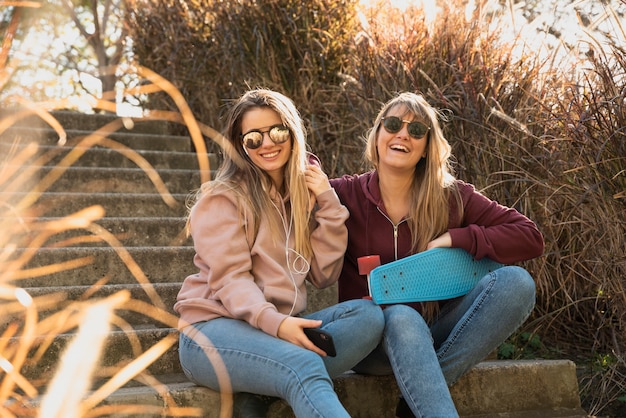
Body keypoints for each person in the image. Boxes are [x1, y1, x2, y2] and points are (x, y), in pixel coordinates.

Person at [330, 92, 545, 417]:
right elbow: (293, 179)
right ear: (377, 135)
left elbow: (529, 237)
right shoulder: (345, 193)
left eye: (416, 130)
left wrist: (458, 237)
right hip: (372, 343)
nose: (403, 134)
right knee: (401, 316)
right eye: (392, 124)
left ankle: (417, 400)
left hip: (435, 332)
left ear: (427, 147)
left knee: (517, 282)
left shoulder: (453, 197)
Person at [174, 89, 385, 418]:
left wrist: (327, 202)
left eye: (276, 131)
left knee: (368, 317)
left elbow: (323, 275)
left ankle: (261, 392)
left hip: (277, 329)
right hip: (212, 332)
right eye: (253, 138)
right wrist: (278, 324)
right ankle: (282, 377)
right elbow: (231, 281)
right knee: (303, 364)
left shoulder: (301, 199)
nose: (267, 143)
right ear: (240, 145)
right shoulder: (223, 199)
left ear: (292, 132)